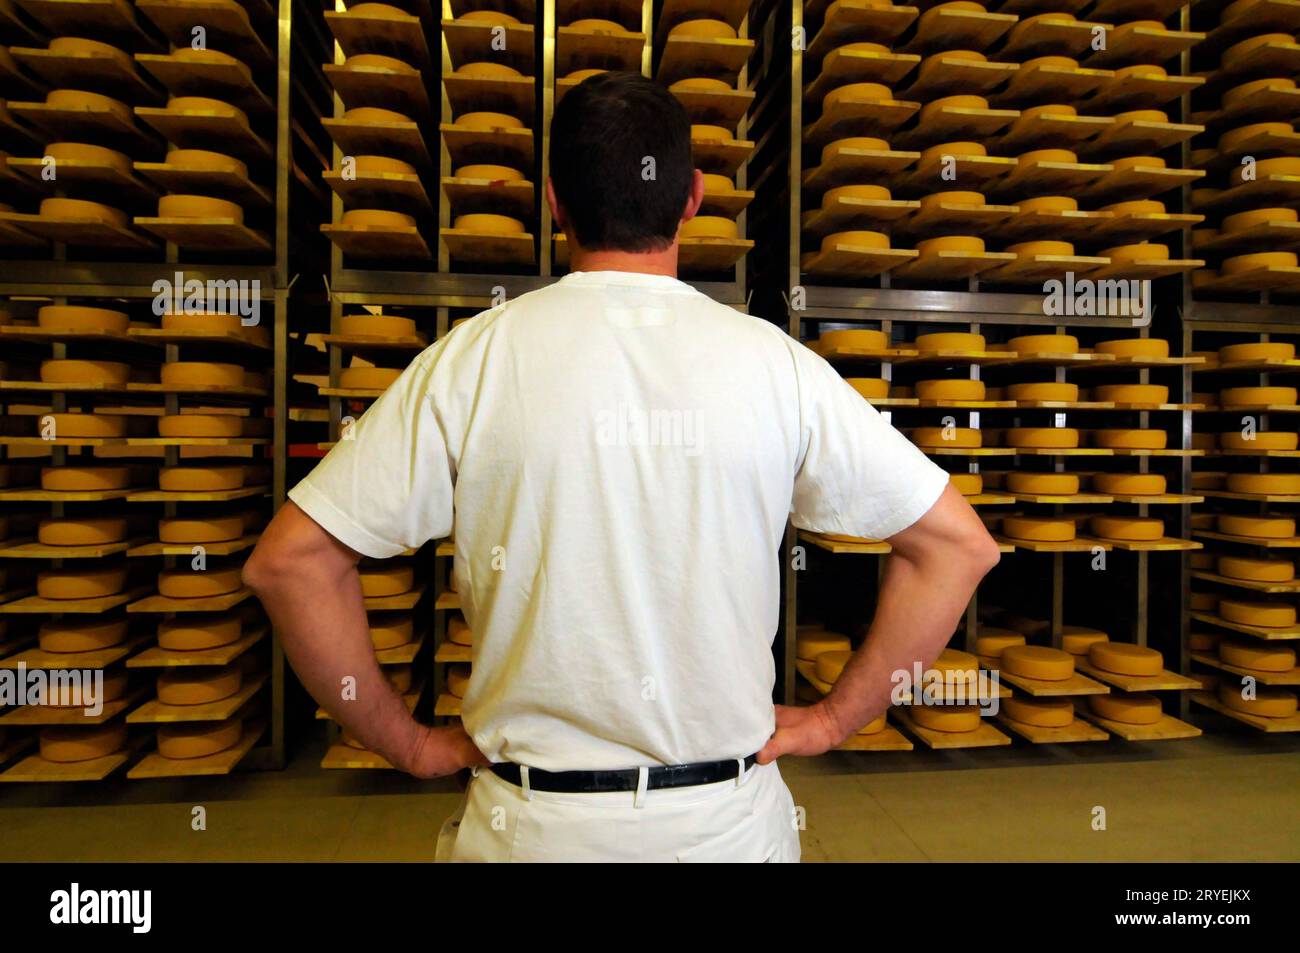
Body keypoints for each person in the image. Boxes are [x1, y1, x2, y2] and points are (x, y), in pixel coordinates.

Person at [243, 71, 1000, 862]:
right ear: (693, 199)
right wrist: (836, 717)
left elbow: (290, 562)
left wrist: (405, 742)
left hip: (529, 831)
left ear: (553, 201)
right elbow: (957, 545)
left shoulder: (471, 361)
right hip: (725, 830)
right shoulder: (775, 366)